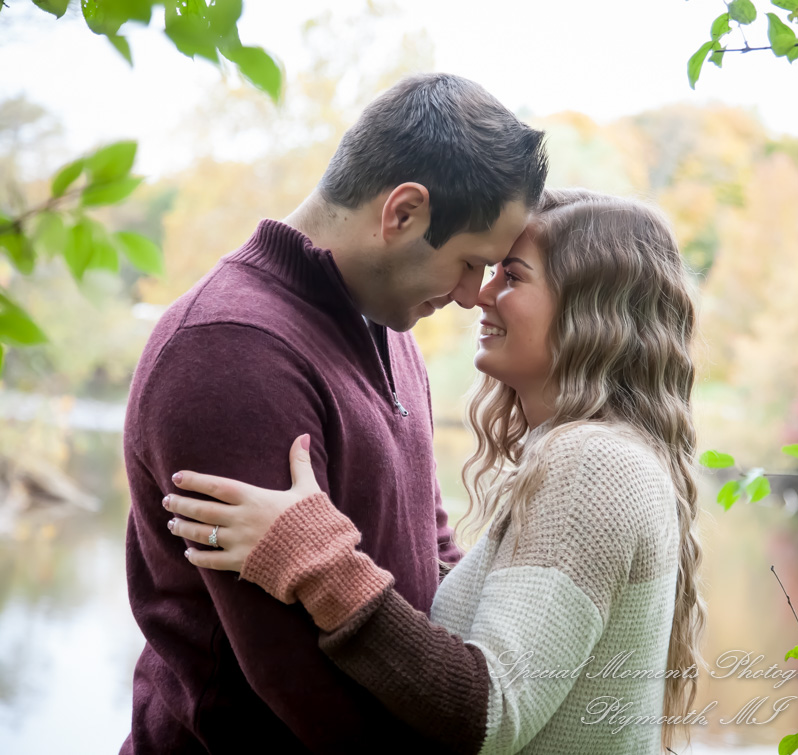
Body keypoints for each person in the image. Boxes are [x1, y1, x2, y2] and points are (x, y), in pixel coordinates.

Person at [163, 188, 707, 754]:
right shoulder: (590, 453)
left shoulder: (594, 463)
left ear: (592, 312)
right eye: (486, 269)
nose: (481, 295)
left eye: (512, 277)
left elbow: (494, 713)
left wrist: (313, 559)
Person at [121, 73, 549, 753]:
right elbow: (299, 686)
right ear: (402, 212)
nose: (474, 296)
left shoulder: (390, 327)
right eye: (471, 263)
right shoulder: (231, 353)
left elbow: (430, 548)